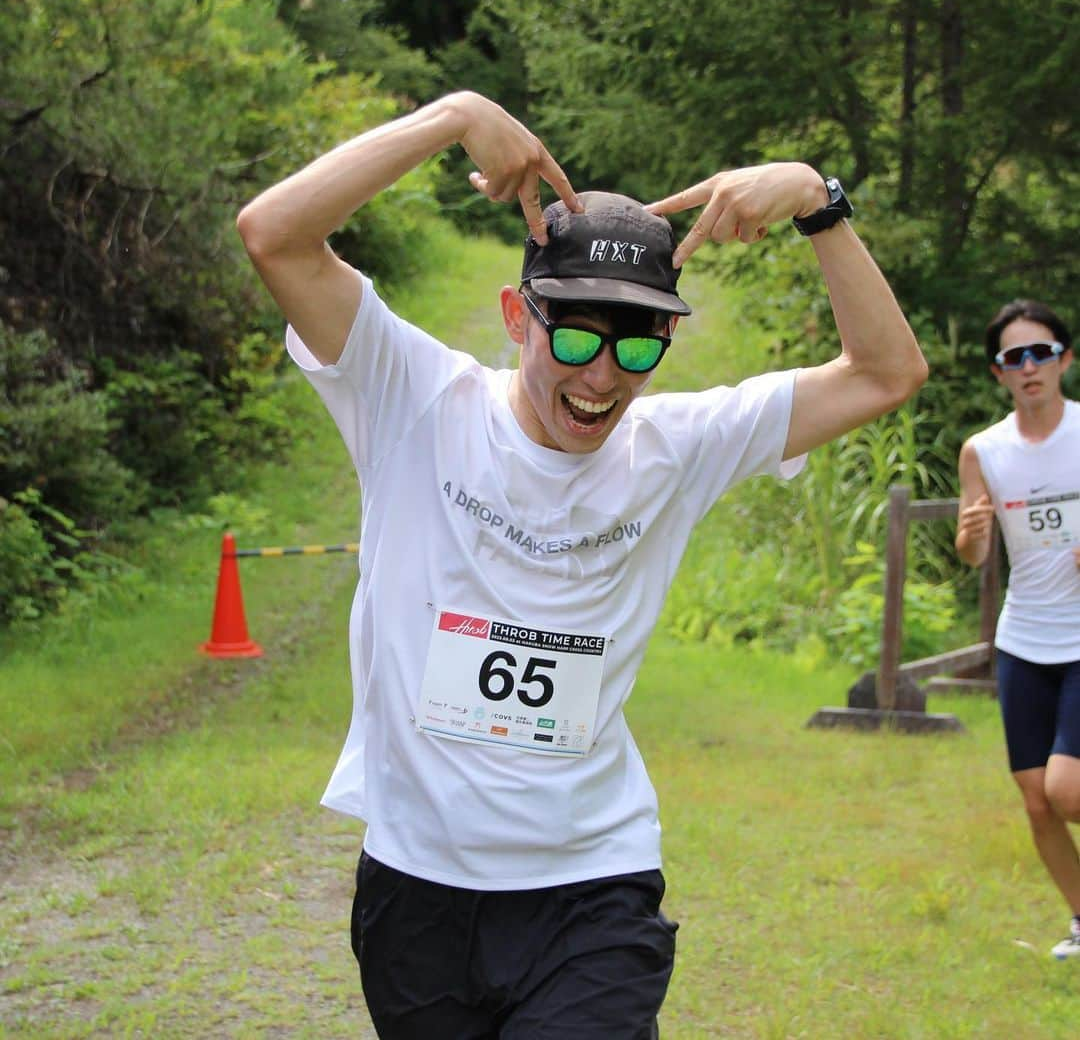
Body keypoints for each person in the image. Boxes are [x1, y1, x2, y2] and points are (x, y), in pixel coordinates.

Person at [236, 91, 927, 1037]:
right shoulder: (415, 401)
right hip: (418, 889)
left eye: (639, 340)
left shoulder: (677, 446)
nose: (602, 376)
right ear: (518, 315)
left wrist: (818, 199)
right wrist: (454, 116)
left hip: (592, 886)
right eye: (574, 334)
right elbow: (274, 234)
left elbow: (886, 372)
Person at [955, 300, 1080, 960]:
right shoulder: (985, 451)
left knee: (1068, 789)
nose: (1029, 367)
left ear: (1065, 359)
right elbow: (975, 553)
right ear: (998, 374)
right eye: (1013, 359)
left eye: (1041, 353)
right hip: (1023, 639)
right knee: (1037, 803)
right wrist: (971, 538)